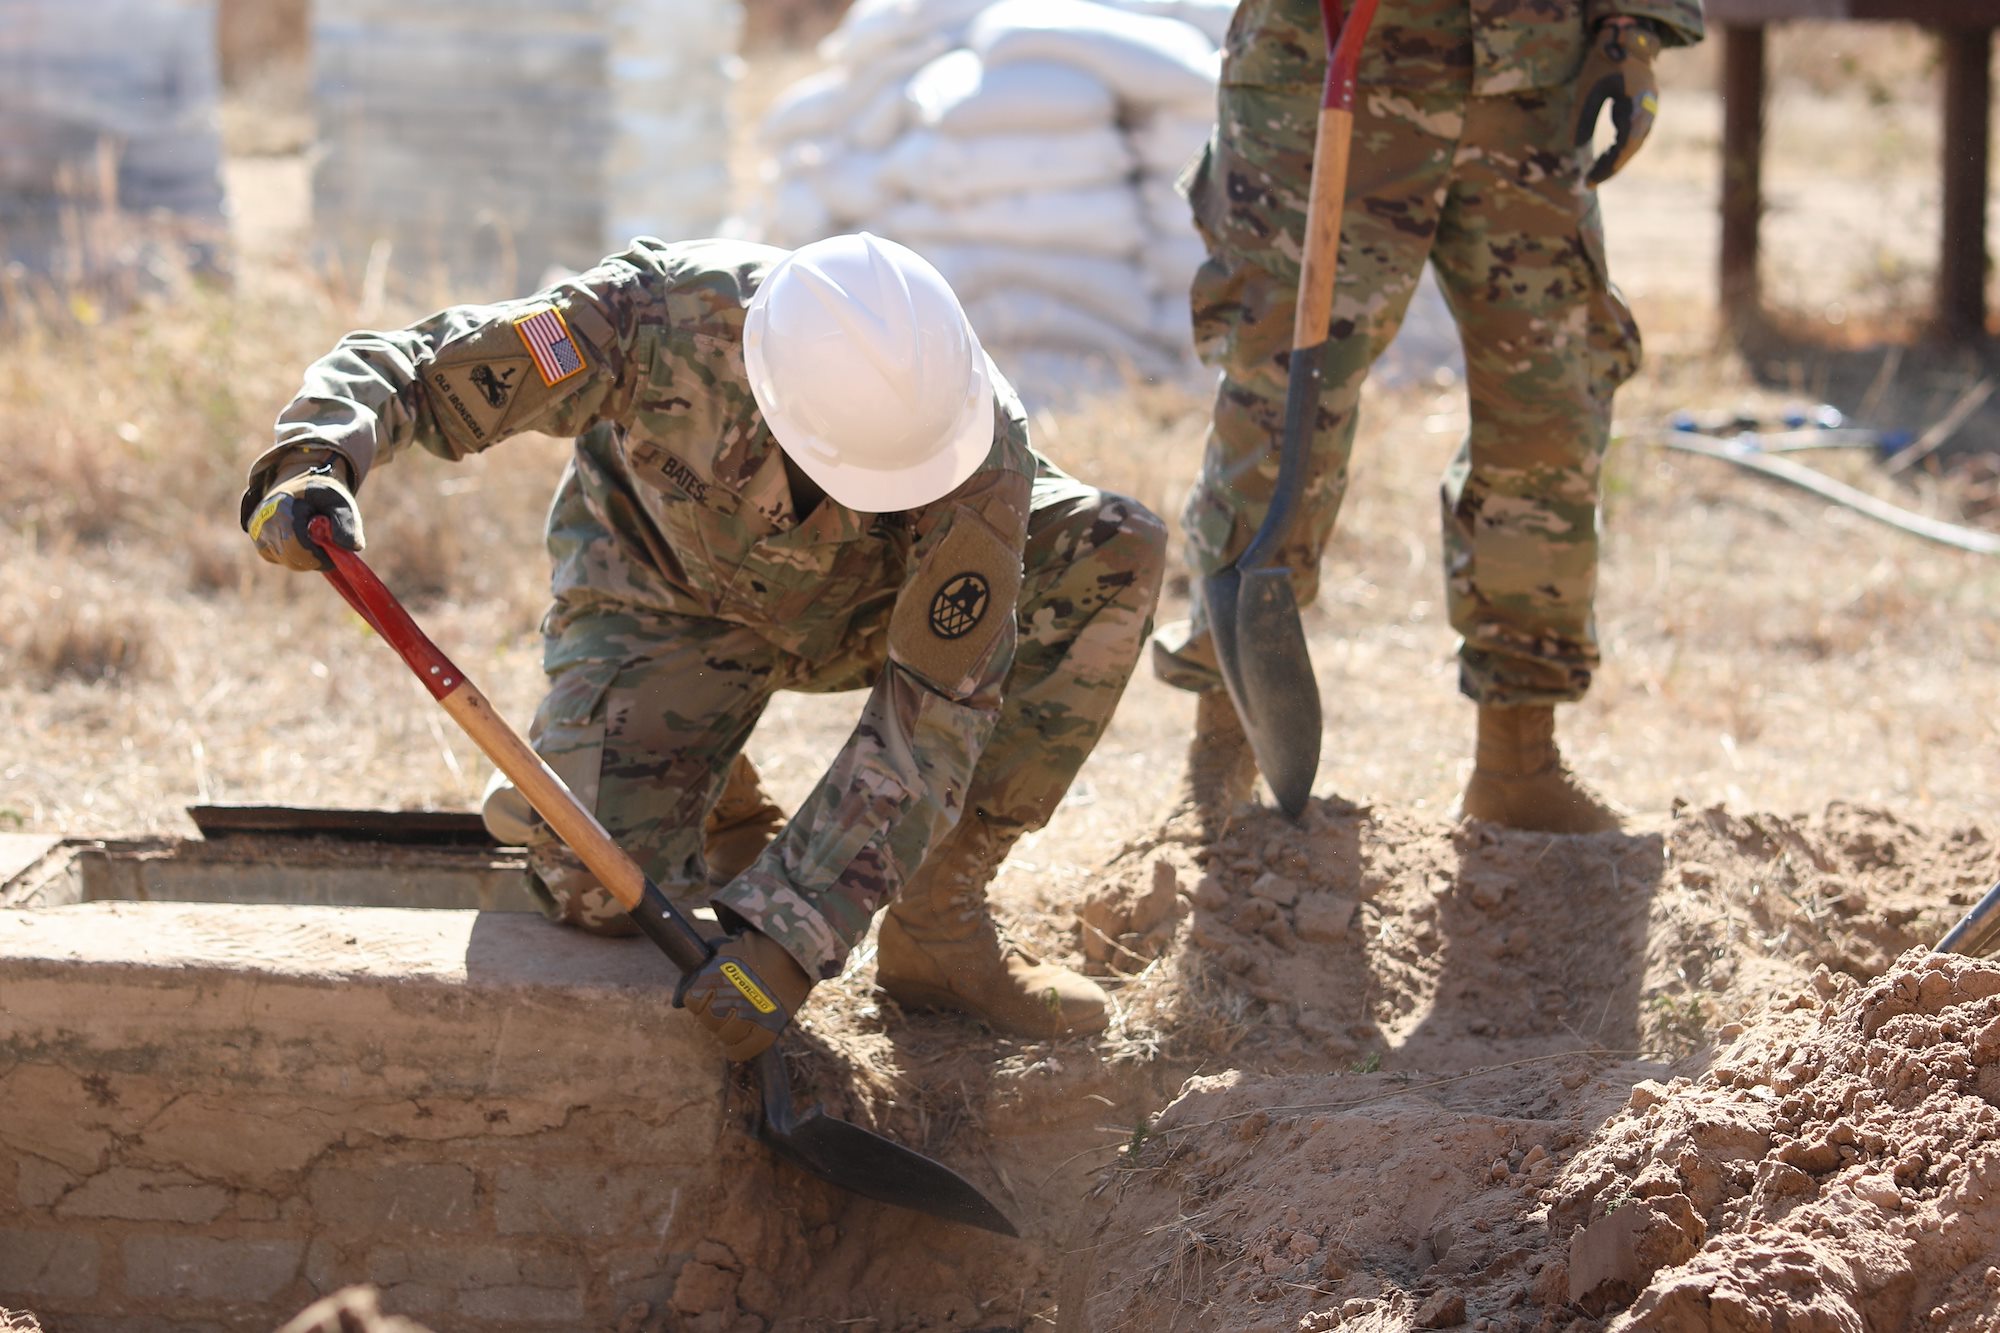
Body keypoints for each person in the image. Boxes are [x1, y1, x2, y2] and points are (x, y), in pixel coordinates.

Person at [243, 232, 1167, 1060]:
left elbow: (930, 718)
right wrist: (319, 454)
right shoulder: (653, 316)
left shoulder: (972, 446)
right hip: (664, 595)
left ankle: (938, 912)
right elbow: (421, 364)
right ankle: (718, 792)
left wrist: (792, 937)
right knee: (594, 892)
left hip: (865, 613)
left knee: (1114, 547)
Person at [1154, 0, 1704, 837]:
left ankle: (1518, 763)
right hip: (1330, 56)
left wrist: (1635, 26)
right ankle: (1223, 762)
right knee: (1282, 399)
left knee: (1551, 402)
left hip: (1532, 74)